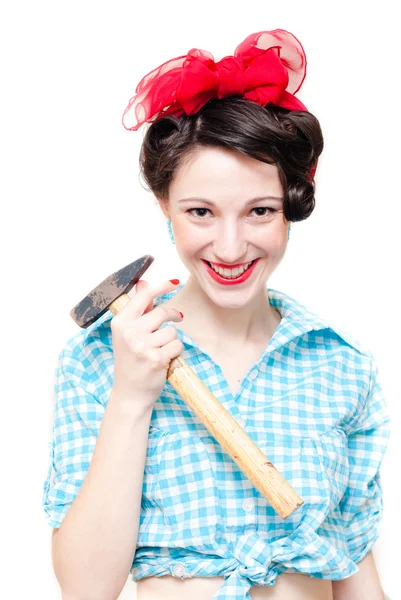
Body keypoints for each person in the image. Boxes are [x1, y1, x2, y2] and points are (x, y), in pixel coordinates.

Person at [43, 29, 391, 600]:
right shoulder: (99, 360)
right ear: (165, 207)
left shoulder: (341, 363)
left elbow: (353, 570)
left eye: (259, 211)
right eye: (200, 211)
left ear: (292, 206)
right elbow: (85, 589)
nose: (230, 248)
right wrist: (132, 395)